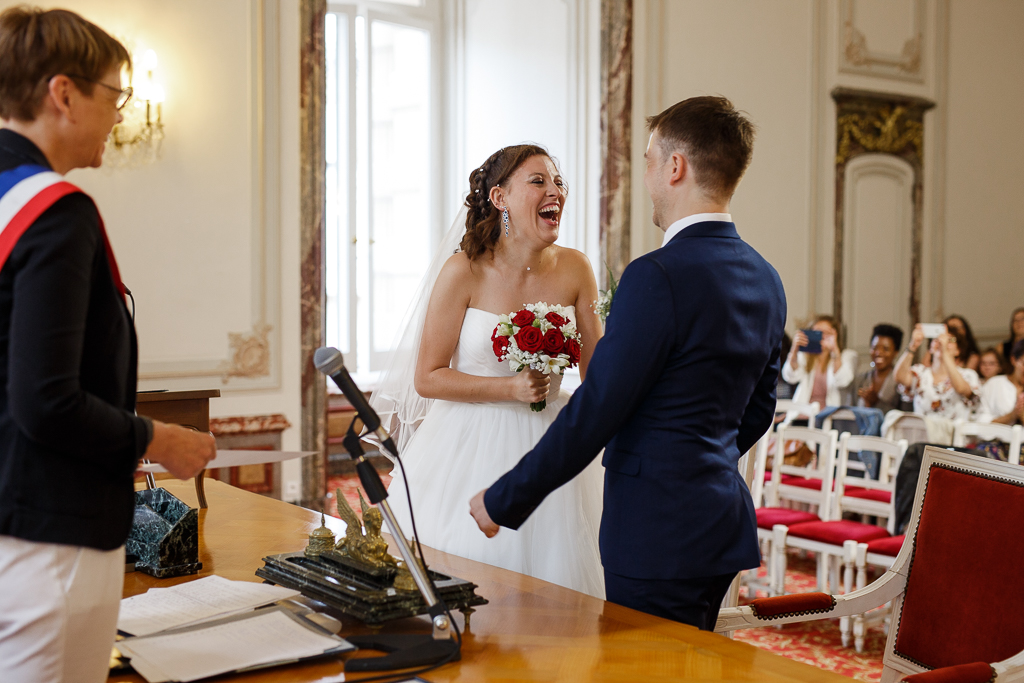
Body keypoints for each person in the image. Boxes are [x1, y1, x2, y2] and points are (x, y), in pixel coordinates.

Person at [470, 96, 786, 630]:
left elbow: (600, 406)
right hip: (720, 522)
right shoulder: (765, 276)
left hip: (655, 532)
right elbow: (758, 410)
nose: (645, 176)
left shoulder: (658, 274)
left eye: (647, 159)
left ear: (675, 167)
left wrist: (505, 498)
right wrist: (700, 463)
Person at [0, 9, 215, 683]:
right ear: (62, 94)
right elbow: (47, 401)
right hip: (48, 535)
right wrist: (157, 438)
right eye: (114, 96)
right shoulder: (57, 213)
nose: (121, 116)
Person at [374, 144, 605, 597]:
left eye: (558, 182)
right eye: (538, 181)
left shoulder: (576, 268)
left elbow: (598, 376)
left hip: (553, 441)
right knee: (467, 581)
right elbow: (428, 376)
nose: (554, 190)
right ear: (499, 197)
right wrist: (510, 388)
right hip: (467, 444)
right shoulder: (464, 271)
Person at [894, 324, 980, 421]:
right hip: (923, 433)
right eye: (936, 339)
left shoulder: (968, 375)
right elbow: (899, 377)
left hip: (953, 434)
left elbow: (961, 388)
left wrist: (945, 353)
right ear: (930, 348)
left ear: (958, 350)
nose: (941, 342)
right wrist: (913, 345)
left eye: (950, 340)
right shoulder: (920, 373)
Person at [783, 315, 857, 408]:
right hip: (804, 412)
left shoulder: (846, 356)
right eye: (817, 332)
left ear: (835, 335)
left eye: (826, 333)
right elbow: (790, 377)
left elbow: (843, 381)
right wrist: (794, 350)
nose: (822, 337)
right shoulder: (805, 356)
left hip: (830, 414)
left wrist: (835, 351)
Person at [852, 323, 907, 414]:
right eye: (875, 348)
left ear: (896, 352)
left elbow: (903, 416)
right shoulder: (860, 380)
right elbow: (850, 411)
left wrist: (877, 402)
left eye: (885, 349)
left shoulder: (901, 383)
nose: (878, 353)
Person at [977, 340, 1024, 426]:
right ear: (1013, 360)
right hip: (995, 438)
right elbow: (981, 422)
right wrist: (1012, 416)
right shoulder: (995, 384)